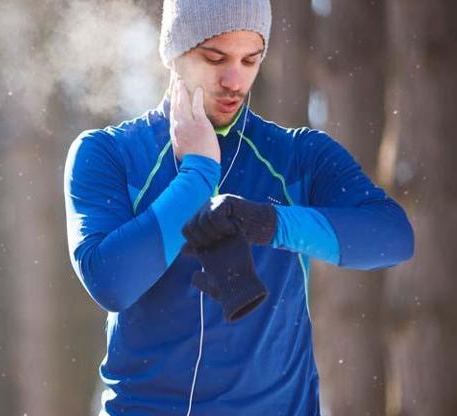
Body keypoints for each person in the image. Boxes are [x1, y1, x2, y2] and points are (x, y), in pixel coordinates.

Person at [62, 0, 414, 414]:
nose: (235, 80)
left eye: (251, 60)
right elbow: (112, 281)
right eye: (215, 58)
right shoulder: (108, 153)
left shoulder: (297, 156)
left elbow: (393, 238)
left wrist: (270, 222)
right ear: (175, 53)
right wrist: (197, 175)